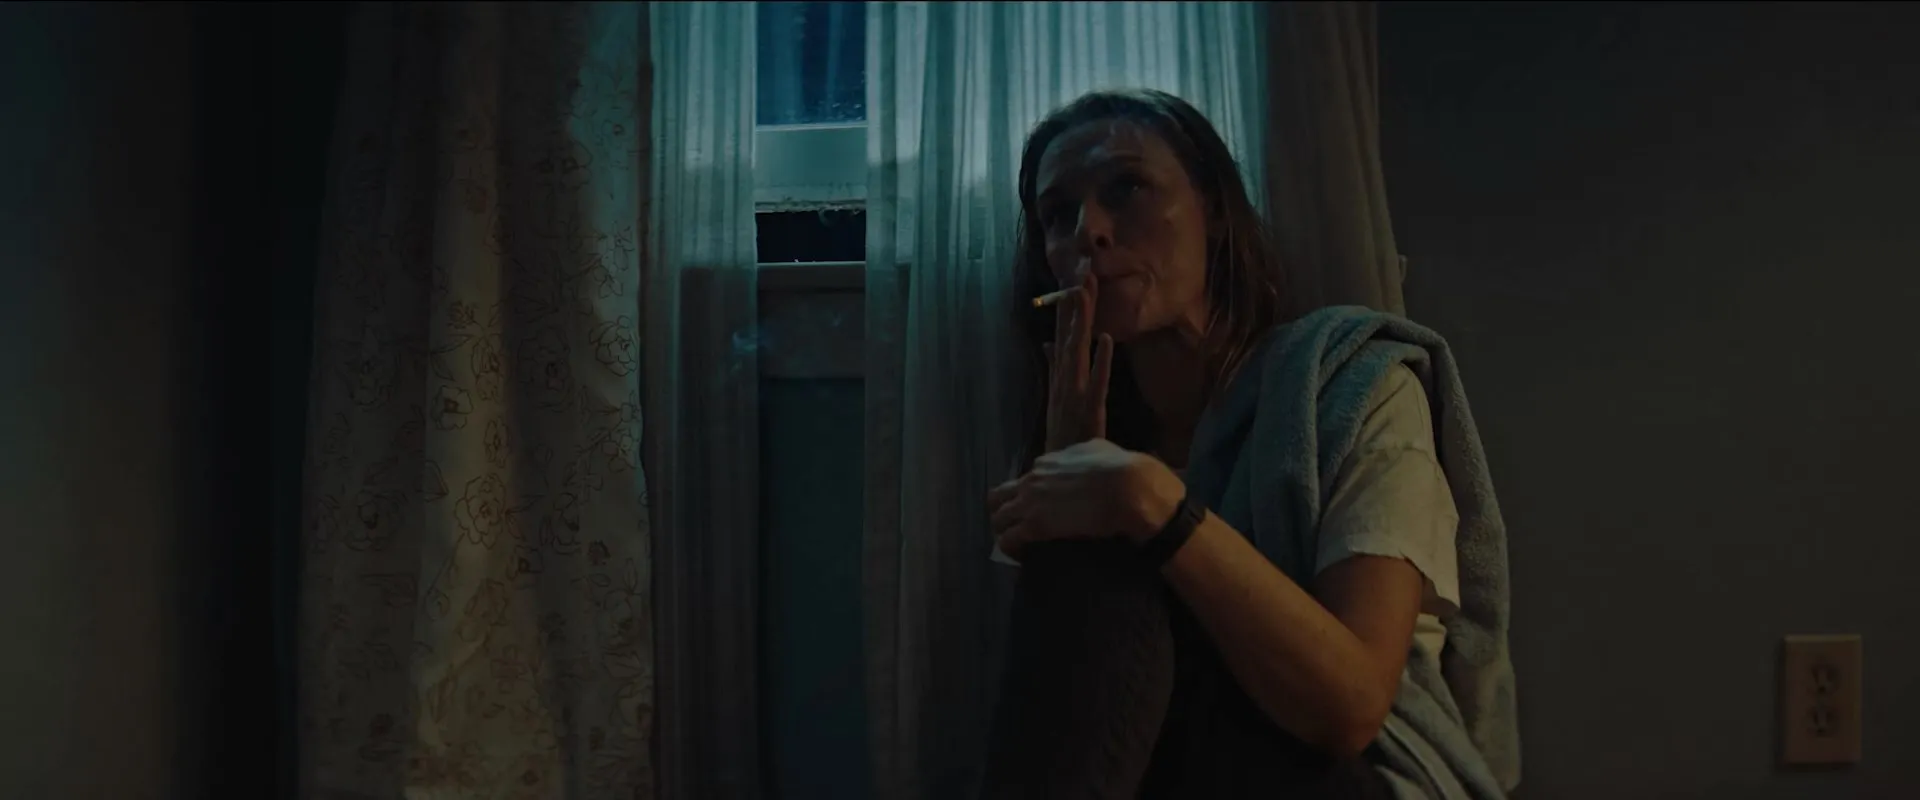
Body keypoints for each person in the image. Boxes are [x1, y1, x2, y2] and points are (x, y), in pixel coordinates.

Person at [982, 88, 1494, 798]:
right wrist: (1067, 509)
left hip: (1349, 775)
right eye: (1057, 215)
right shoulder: (1080, 432)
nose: (1088, 231)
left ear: (1215, 210)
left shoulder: (1349, 385)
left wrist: (1152, 504)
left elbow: (1349, 709)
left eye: (1126, 188)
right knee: (1087, 563)